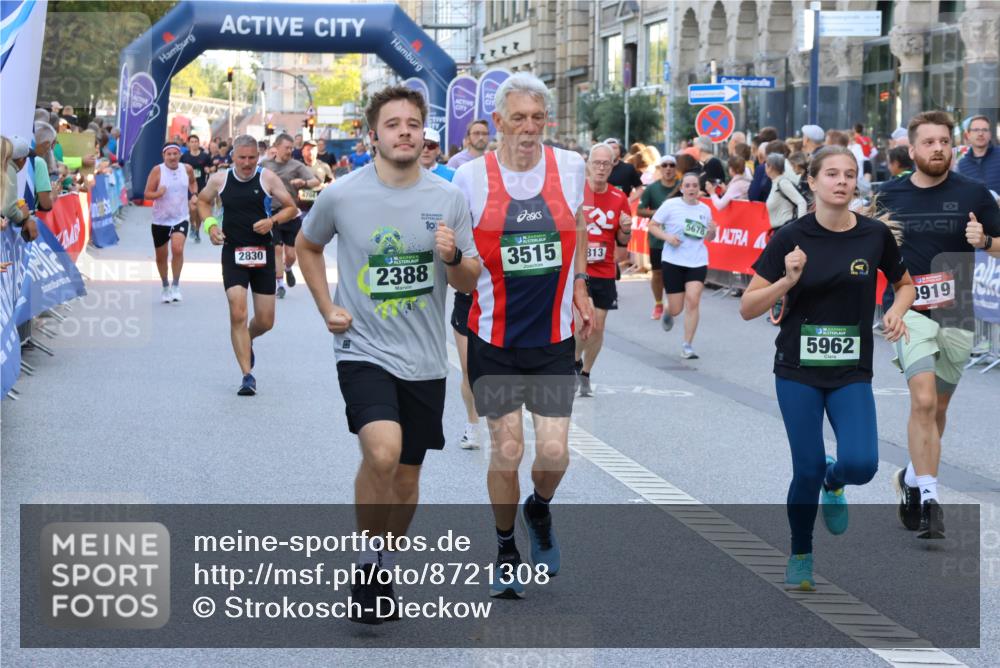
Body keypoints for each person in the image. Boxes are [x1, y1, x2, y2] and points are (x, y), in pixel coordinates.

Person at [297, 85, 480, 623]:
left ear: (424, 134)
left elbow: (469, 279)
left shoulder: (448, 198)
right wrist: (326, 306)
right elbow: (307, 245)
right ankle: (366, 559)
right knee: (381, 452)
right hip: (362, 347)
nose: (404, 132)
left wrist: (453, 256)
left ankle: (383, 562)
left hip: (424, 358)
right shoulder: (342, 195)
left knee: (406, 476)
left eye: (413, 124)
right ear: (373, 135)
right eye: (393, 124)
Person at [739, 145, 915, 591]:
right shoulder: (790, 238)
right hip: (797, 369)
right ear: (812, 182)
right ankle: (801, 552)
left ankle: (834, 482)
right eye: (832, 174)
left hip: (850, 370)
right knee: (807, 468)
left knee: (862, 464)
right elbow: (748, 306)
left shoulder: (874, 235)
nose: (842, 181)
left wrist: (896, 311)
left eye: (849, 174)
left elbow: (904, 285)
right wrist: (787, 280)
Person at [452, 72, 594, 599]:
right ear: (498, 122)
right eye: (518, 118)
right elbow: (459, 260)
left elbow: (577, 224)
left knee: (554, 455)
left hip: (553, 339)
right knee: (507, 448)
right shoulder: (469, 178)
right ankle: (506, 547)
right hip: (493, 339)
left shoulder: (570, 167)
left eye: (537, 118)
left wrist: (580, 282)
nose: (529, 128)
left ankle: (539, 508)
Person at [876, 111, 1000, 539]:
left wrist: (986, 241)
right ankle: (929, 499)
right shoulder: (888, 195)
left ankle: (911, 477)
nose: (938, 149)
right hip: (908, 309)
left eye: (944, 141)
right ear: (911, 150)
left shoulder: (974, 194)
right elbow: (859, 242)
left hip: (956, 311)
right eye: (929, 142)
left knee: (939, 408)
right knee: (924, 400)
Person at [198, 135, 297, 395]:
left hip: (263, 252)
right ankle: (247, 375)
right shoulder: (220, 179)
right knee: (238, 312)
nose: (247, 163)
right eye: (241, 158)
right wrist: (211, 226)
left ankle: (247, 338)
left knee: (265, 320)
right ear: (233, 157)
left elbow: (291, 207)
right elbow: (202, 202)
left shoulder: (267, 178)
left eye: (252, 157)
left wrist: (272, 221)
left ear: (258, 156)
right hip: (233, 252)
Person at [575, 142, 631, 396]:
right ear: (588, 164)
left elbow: (623, 240)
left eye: (606, 164)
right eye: (596, 163)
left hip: (605, 270)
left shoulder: (619, 198)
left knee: (597, 326)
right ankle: (573, 363)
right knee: (581, 322)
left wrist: (626, 229)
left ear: (612, 166)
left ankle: (585, 372)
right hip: (578, 269)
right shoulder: (576, 192)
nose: (601, 168)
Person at [648, 172, 717, 359]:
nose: (691, 189)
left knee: (693, 300)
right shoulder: (671, 205)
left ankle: (687, 345)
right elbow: (652, 225)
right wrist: (667, 237)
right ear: (681, 188)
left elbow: (709, 237)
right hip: (673, 261)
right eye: (687, 185)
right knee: (677, 308)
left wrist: (712, 231)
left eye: (695, 185)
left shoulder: (705, 209)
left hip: (697, 260)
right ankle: (668, 310)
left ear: (699, 189)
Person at [261, 133, 321, 298]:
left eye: (291, 148)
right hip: (272, 213)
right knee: (277, 249)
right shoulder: (265, 164)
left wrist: (304, 183)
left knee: (291, 255)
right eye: (287, 148)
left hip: (291, 213)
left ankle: (287, 268)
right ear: (277, 147)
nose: (290, 151)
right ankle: (280, 285)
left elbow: (316, 181)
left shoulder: (296, 166)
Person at [143, 143, 196, 303]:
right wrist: (158, 193)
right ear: (164, 156)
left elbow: (193, 182)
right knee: (161, 256)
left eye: (175, 154)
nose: (172, 157)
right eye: (169, 154)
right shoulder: (157, 171)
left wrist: (194, 194)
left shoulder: (187, 169)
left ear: (180, 155)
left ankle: (176, 285)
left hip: (181, 217)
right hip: (160, 220)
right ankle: (165, 286)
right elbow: (147, 194)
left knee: (177, 249)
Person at [638, 154, 680, 319]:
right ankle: (658, 304)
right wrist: (658, 213)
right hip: (657, 239)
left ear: (675, 168)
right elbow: (640, 210)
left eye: (671, 165)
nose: (668, 168)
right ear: (660, 168)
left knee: (675, 273)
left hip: (677, 239)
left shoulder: (682, 186)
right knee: (657, 273)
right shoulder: (652, 188)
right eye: (665, 165)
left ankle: (672, 303)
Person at [180, 134, 212, 243]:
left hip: (202, 185)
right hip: (189, 185)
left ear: (198, 143)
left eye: (196, 141)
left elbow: (211, 166)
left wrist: (209, 169)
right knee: (192, 208)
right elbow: (179, 169)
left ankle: (197, 230)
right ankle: (192, 225)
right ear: (188, 144)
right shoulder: (185, 157)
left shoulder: (205, 156)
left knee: (198, 210)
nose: (194, 144)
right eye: (192, 142)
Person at [957, 115, 1000, 193]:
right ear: (968, 135)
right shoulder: (962, 165)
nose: (980, 133)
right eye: (976, 130)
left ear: (990, 135)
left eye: (985, 130)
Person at [765, 153, 808, 230]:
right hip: (779, 229)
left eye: (766, 165)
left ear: (770, 167)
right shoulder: (776, 182)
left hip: (785, 229)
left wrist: (800, 227)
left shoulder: (783, 183)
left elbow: (801, 202)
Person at [605, 137, 643, 202]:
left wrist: (628, 201)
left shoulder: (628, 168)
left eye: (615, 148)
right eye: (609, 148)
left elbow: (639, 189)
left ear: (620, 150)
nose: (612, 150)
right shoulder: (599, 168)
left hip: (622, 206)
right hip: (602, 205)